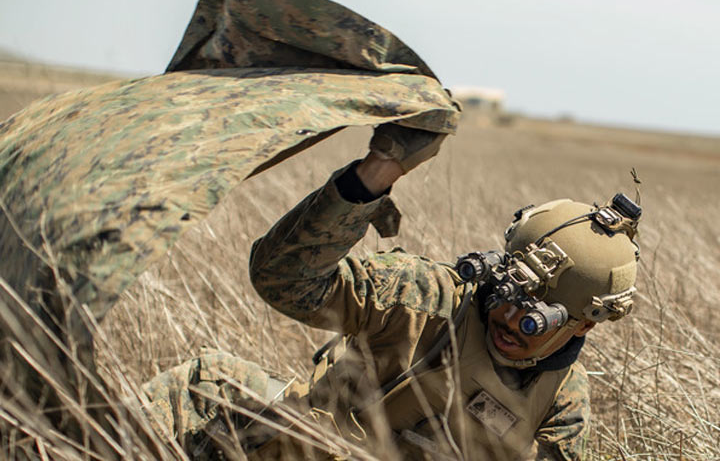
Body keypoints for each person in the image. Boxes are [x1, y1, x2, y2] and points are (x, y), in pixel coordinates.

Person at [142, 123, 641, 460]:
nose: (510, 319)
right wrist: (376, 174)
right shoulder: (424, 298)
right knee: (203, 387)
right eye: (506, 294)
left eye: (535, 320)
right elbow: (282, 278)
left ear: (584, 324)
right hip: (290, 446)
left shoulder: (559, 407)